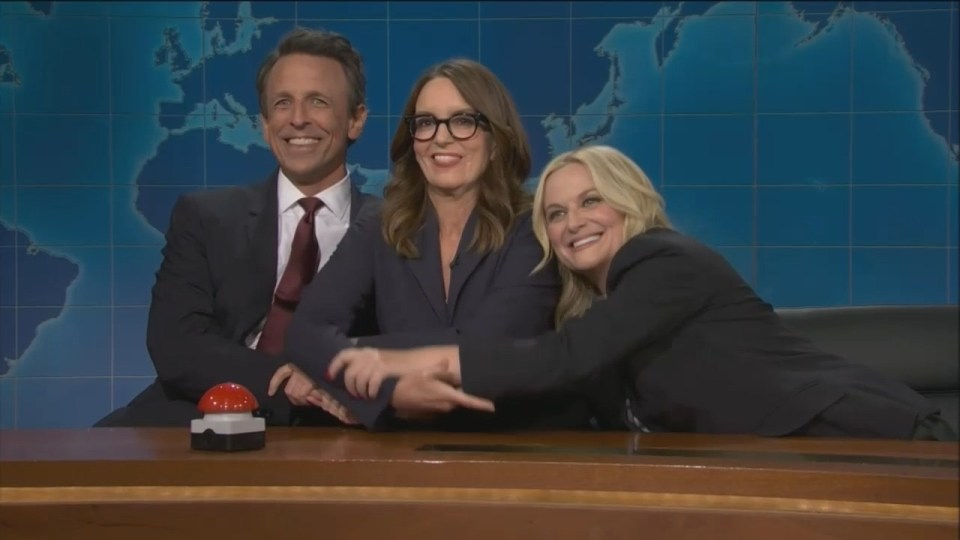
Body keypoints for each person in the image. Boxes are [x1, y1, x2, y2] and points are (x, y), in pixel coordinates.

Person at [327, 145, 956, 441]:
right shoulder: (602, 310)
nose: (573, 222)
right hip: (779, 467)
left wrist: (415, 358)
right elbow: (565, 393)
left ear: (630, 204)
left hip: (872, 443)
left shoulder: (664, 259)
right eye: (555, 213)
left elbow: (563, 357)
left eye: (591, 200)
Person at [274, 59, 600, 432]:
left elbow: (483, 348)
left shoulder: (533, 229)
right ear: (412, 140)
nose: (441, 138)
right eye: (426, 123)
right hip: (407, 447)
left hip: (518, 445)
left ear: (495, 140)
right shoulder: (380, 225)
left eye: (463, 121)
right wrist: (388, 393)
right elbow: (306, 330)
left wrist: (338, 363)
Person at [94, 27, 379, 427]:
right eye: (283, 103)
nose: (298, 119)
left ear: (356, 120)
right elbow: (176, 343)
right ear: (264, 123)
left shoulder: (395, 229)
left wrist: (328, 384)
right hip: (205, 408)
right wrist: (289, 386)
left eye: (318, 101)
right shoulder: (206, 217)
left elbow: (406, 345)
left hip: (335, 422)